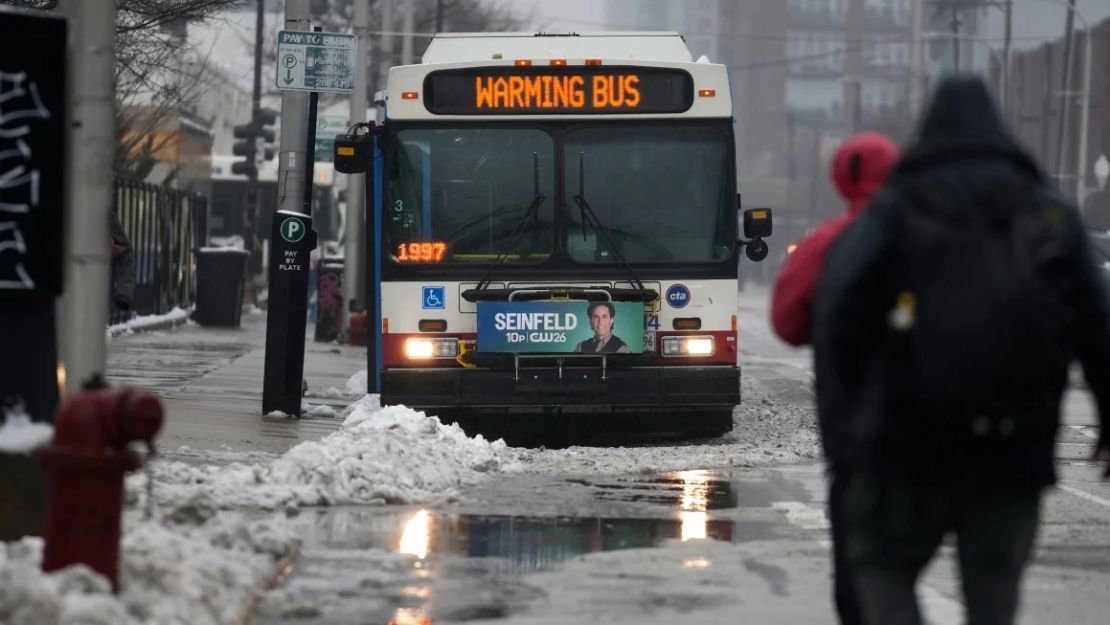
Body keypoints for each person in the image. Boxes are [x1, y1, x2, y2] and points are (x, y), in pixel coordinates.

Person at [814, 76, 1110, 625]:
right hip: (1012, 449)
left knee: (883, 572)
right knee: (994, 598)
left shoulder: (894, 210)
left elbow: (838, 315)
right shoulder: (1047, 216)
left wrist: (846, 436)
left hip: (903, 448)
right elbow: (1098, 324)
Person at [769, 131, 900, 625]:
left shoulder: (828, 243)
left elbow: (787, 322)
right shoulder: (935, 237)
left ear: (840, 178)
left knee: (858, 570)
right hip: (932, 441)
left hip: (852, 439)